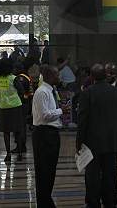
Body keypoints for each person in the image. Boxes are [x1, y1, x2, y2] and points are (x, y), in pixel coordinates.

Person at [76, 63, 117, 208]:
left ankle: (93, 203)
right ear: (106, 75)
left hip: (92, 144)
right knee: (111, 176)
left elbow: (82, 120)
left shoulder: (87, 93)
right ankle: (110, 203)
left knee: (92, 176)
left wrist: (79, 142)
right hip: (112, 142)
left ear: (91, 77)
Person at [32, 65, 66, 208]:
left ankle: (46, 200)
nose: (59, 77)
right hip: (44, 134)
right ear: (50, 76)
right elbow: (44, 115)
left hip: (51, 134)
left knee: (50, 170)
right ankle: (44, 202)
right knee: (44, 170)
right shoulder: (42, 92)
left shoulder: (51, 91)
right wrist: (60, 111)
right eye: (57, 75)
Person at [0, 57, 24, 162]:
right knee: (18, 130)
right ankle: (20, 153)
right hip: (15, 106)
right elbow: (21, 91)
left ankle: (8, 154)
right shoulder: (13, 78)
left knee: (6, 132)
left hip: (3, 107)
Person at [14, 62, 34, 153]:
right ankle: (21, 146)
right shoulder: (27, 77)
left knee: (20, 126)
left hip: (21, 104)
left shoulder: (20, 78)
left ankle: (20, 146)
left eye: (15, 69)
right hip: (26, 103)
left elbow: (21, 92)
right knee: (22, 126)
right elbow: (30, 93)